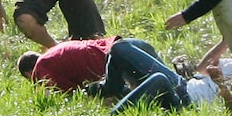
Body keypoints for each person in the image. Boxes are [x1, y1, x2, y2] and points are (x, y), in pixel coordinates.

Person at [95, 36, 232, 115]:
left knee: (155, 76)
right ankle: (113, 90)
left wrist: (222, 86)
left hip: (186, 103)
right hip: (183, 85)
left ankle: (113, 113)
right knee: (138, 45)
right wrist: (226, 41)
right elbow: (202, 68)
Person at [17, 37, 160, 93]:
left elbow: (73, 95)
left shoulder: (42, 69)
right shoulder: (55, 52)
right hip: (127, 45)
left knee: (146, 93)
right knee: (172, 82)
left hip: (114, 60)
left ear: (30, 74)